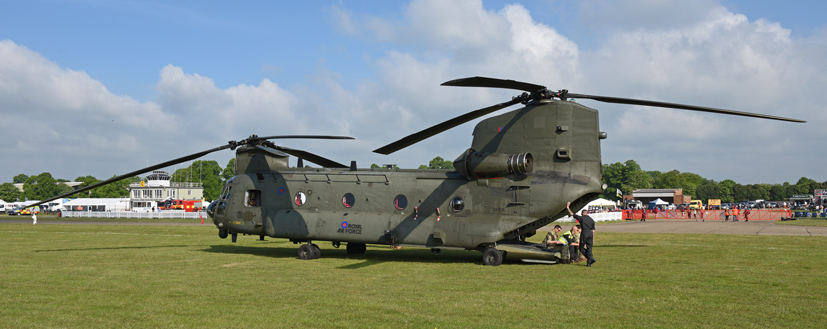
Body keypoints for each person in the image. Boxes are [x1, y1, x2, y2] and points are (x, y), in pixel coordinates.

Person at [566, 201, 596, 267]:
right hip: (590, 234)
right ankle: (589, 263)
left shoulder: (582, 218)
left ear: (582, 213)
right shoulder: (591, 220)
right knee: (589, 248)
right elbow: (593, 230)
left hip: (584, 233)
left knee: (581, 247)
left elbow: (572, 214)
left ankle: (590, 258)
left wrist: (568, 207)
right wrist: (593, 238)